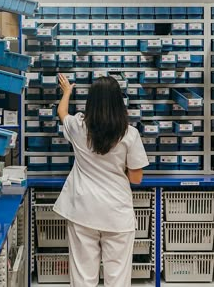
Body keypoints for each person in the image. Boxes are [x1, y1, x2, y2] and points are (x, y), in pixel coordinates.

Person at [53, 74, 149, 287]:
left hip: (83, 210)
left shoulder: (78, 127)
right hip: (117, 212)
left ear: (91, 101)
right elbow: (136, 178)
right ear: (118, 101)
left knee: (83, 278)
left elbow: (62, 113)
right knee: (118, 279)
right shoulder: (129, 134)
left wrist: (67, 91)